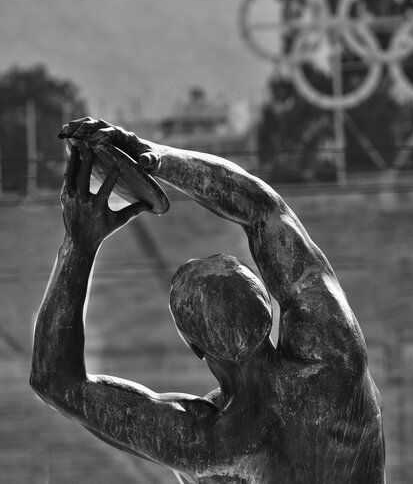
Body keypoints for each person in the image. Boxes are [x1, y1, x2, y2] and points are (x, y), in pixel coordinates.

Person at [30, 118, 385, 483]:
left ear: (195, 346)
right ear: (267, 306)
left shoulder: (208, 442)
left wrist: (80, 244)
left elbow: (57, 383)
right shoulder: (334, 356)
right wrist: (153, 155)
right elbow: (264, 209)